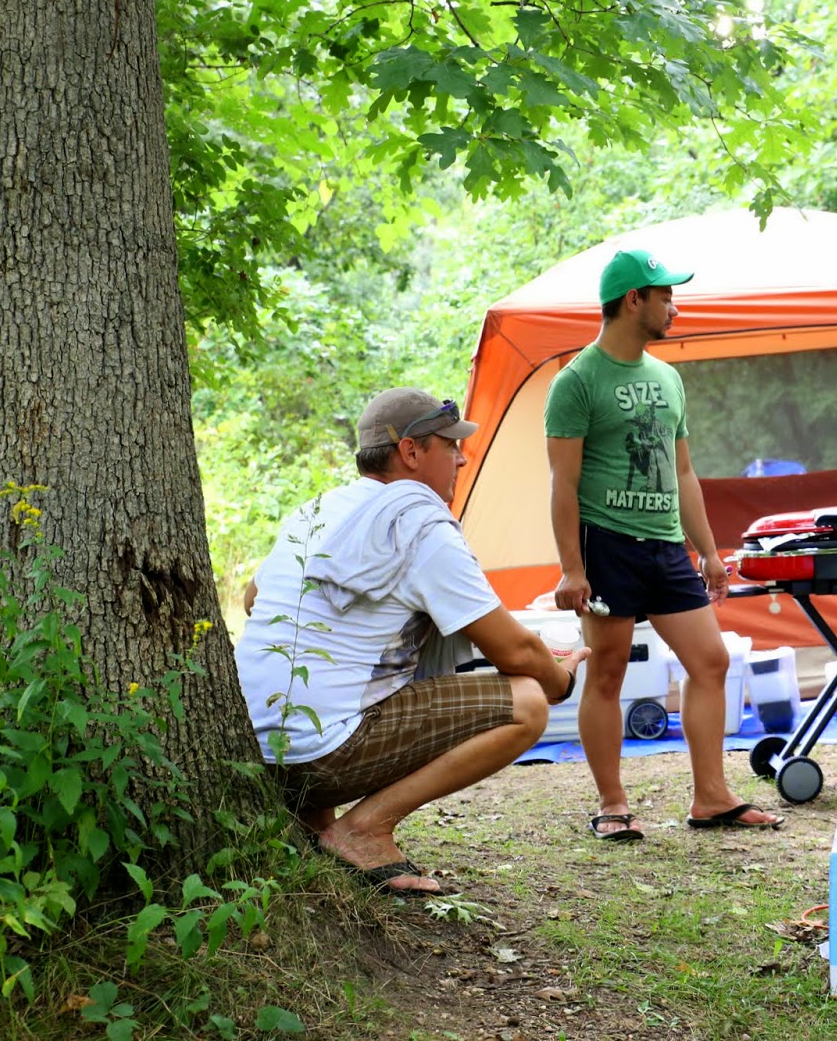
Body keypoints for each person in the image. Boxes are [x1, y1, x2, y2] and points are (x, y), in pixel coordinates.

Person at [236, 388, 586, 896]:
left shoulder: (318, 510)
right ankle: (364, 830)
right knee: (527, 703)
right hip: (322, 756)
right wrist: (560, 679)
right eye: (451, 445)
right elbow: (516, 652)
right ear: (411, 452)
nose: (461, 459)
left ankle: (310, 825)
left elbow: (252, 598)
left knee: (339, 681)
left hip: (256, 748)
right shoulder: (417, 521)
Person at [544, 249, 784, 841]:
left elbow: (683, 473)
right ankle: (613, 804)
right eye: (666, 296)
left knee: (711, 661)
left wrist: (709, 552)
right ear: (634, 300)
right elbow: (563, 483)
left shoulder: (667, 378)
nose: (675, 308)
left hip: (666, 547)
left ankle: (712, 797)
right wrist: (572, 569)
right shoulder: (577, 382)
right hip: (606, 545)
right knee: (608, 673)